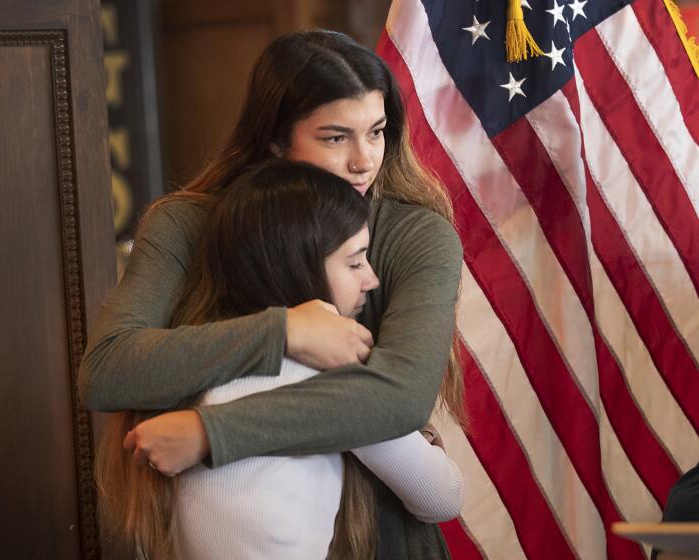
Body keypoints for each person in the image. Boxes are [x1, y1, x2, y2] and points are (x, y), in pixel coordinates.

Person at [80, 29, 465, 559]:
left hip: (385, 537)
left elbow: (399, 398)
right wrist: (283, 332)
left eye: (376, 132)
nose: (363, 161)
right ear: (275, 141)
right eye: (335, 137)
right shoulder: (186, 223)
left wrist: (209, 433)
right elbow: (108, 370)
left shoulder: (416, 234)